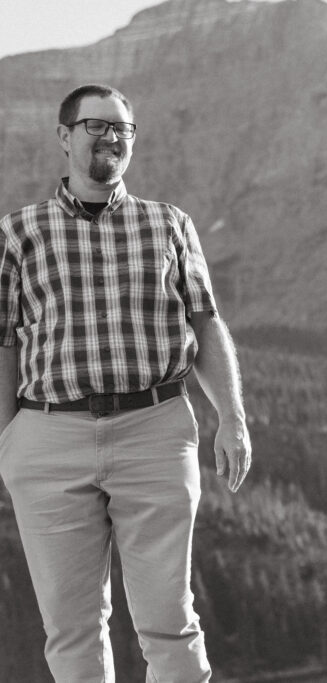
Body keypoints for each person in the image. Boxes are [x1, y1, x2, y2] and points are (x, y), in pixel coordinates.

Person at [0, 84, 251, 681]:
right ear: (64, 137)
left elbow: (206, 324)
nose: (112, 137)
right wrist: (8, 442)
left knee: (169, 619)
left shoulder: (169, 224)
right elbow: (3, 345)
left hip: (156, 431)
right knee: (73, 630)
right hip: (47, 435)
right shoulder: (17, 233)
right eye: (97, 126)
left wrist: (233, 418)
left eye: (123, 129)